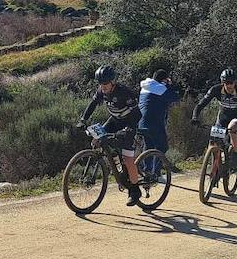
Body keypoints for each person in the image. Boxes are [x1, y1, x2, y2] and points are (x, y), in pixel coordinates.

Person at [77, 64, 144, 204]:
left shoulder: (124, 92)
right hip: (114, 121)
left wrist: (127, 131)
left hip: (129, 124)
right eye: (100, 84)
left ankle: (135, 190)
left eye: (105, 83)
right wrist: (83, 119)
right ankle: (115, 160)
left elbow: (137, 114)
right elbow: (92, 104)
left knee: (128, 158)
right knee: (96, 141)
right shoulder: (102, 90)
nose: (103, 86)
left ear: (112, 82)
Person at [190, 68, 237, 158]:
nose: (229, 85)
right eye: (226, 83)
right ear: (222, 83)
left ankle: (236, 156)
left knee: (232, 127)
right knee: (214, 140)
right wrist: (195, 117)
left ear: (235, 82)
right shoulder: (215, 90)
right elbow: (200, 105)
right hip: (223, 117)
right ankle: (216, 167)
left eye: (231, 83)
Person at [138, 68, 180, 157]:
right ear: (164, 80)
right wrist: (169, 85)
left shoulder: (145, 87)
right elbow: (175, 97)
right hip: (154, 122)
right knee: (162, 147)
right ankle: (156, 171)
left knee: (148, 147)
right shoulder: (160, 88)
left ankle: (145, 170)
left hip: (141, 122)